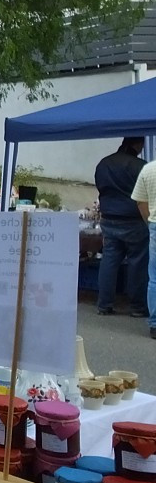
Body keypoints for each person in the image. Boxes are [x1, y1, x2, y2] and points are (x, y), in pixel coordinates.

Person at [95, 137, 148, 317]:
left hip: (109, 217)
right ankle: (137, 307)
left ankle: (104, 304)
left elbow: (100, 188)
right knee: (137, 263)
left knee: (109, 260)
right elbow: (145, 194)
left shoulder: (104, 163)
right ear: (138, 144)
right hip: (134, 219)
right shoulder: (140, 166)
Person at [131, 156, 156, 338]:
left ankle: (155, 324)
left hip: (155, 223)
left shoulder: (148, 169)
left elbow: (140, 202)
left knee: (155, 277)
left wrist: (150, 223)